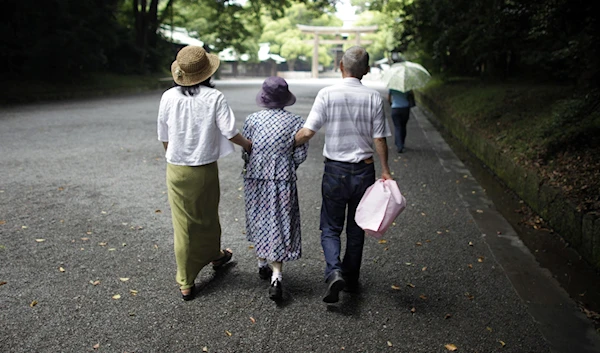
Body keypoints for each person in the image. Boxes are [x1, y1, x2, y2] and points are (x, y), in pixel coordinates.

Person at [294, 46, 393, 303]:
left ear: (340, 65)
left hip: (335, 170)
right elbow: (379, 138)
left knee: (330, 226)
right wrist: (386, 171)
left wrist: (284, 145)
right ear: (367, 70)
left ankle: (334, 270)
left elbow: (307, 133)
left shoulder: (327, 94)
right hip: (364, 170)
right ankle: (350, 279)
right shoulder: (373, 97)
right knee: (357, 226)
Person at [157, 45, 252, 301]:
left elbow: (164, 136)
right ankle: (209, 261)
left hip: (176, 168)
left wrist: (175, 154)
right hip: (205, 169)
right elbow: (230, 132)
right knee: (208, 216)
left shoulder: (168, 97)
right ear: (207, 73)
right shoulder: (214, 98)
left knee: (184, 224)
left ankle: (189, 279)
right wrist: (249, 145)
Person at [242, 76, 308, 301]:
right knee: (279, 221)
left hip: (255, 176)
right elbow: (300, 155)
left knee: (259, 217)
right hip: (283, 179)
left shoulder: (252, 120)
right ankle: (277, 275)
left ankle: (262, 262)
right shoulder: (296, 122)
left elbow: (246, 151)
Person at [388, 88, 415, 153]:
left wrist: (391, 104)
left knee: (397, 127)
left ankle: (399, 145)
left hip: (395, 108)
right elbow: (412, 96)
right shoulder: (407, 88)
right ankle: (402, 143)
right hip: (405, 109)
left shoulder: (392, 88)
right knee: (403, 126)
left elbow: (388, 99)